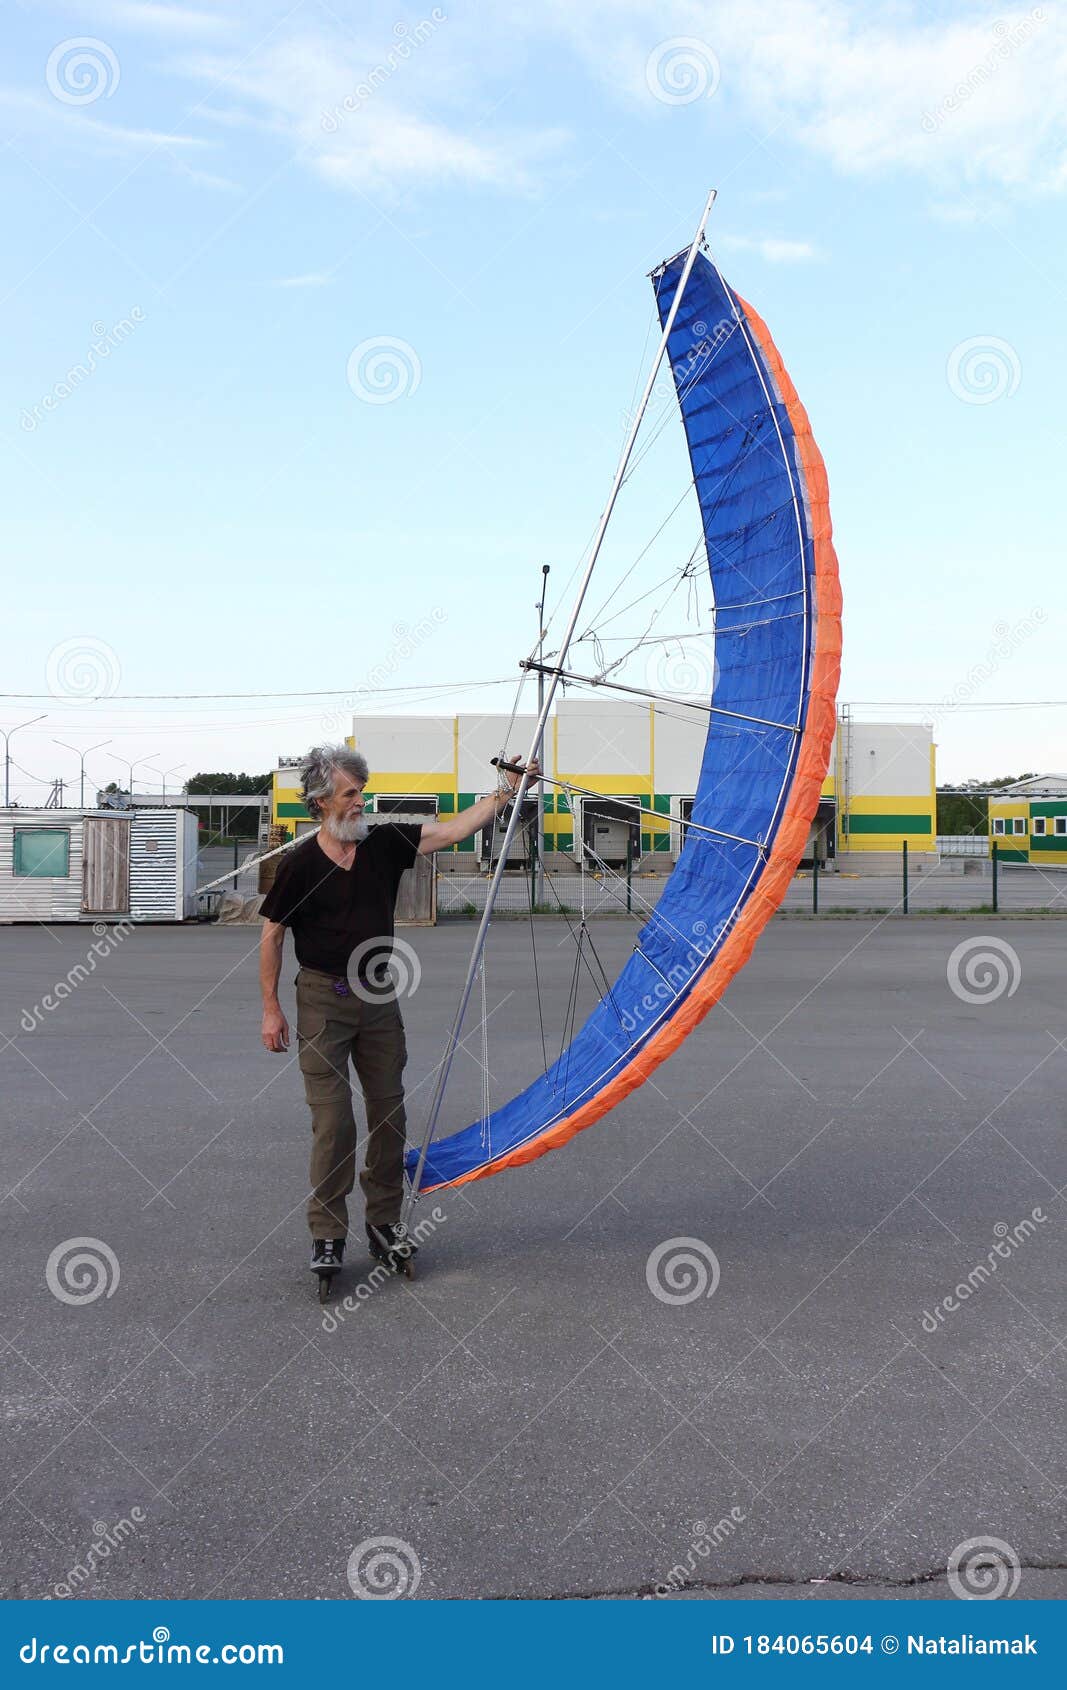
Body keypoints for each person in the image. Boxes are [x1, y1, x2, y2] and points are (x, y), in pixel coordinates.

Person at [258, 742, 537, 1283]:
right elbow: (272, 937)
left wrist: (509, 791)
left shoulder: (384, 843)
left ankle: (384, 1222)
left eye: (362, 791)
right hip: (321, 998)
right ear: (320, 802)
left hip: (378, 997)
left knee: (389, 1114)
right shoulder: (299, 865)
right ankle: (328, 1233)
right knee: (334, 1121)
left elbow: (454, 830)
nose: (362, 802)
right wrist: (271, 1008)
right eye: (351, 794)